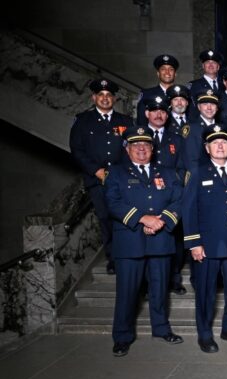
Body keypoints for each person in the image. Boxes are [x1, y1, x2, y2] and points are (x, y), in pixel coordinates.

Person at [104, 126, 184, 357]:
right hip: (130, 242)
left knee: (160, 290)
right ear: (127, 149)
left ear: (152, 149)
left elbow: (179, 200)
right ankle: (122, 336)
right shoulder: (117, 173)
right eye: (136, 146)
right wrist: (143, 218)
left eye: (146, 145)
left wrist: (162, 221)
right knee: (127, 292)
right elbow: (113, 203)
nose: (141, 149)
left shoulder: (168, 173)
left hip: (160, 239)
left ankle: (161, 328)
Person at [182, 124, 227, 353]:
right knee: (206, 293)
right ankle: (205, 334)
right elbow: (189, 210)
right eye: (215, 142)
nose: (220, 146)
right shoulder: (198, 172)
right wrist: (193, 243)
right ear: (207, 147)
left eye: (224, 142)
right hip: (207, 245)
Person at [69, 78, 134, 275]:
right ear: (94, 97)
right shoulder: (83, 121)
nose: (105, 99)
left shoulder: (125, 121)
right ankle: (113, 259)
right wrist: (96, 170)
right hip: (97, 180)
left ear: (114, 99)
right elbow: (77, 150)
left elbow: (133, 149)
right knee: (105, 218)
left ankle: (127, 254)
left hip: (121, 179)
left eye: (109, 95)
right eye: (101, 95)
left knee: (124, 217)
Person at [144, 94, 187, 296]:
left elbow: (182, 167)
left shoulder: (175, 139)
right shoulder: (139, 136)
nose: (159, 115)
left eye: (162, 111)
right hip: (145, 195)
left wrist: (174, 191)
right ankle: (145, 283)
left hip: (170, 196)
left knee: (175, 240)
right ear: (147, 114)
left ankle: (174, 279)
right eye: (155, 111)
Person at [136, 54, 179, 126]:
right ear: (158, 73)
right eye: (163, 69)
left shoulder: (182, 95)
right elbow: (141, 121)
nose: (167, 72)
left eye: (171, 69)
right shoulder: (147, 94)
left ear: (175, 74)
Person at [182, 89, 219, 172]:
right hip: (201, 175)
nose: (209, 108)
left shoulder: (221, 127)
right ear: (199, 107)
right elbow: (191, 161)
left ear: (217, 108)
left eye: (212, 104)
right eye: (205, 104)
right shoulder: (191, 128)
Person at [189, 50, 224, 118]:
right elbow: (192, 110)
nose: (211, 65)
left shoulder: (225, 85)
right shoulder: (194, 86)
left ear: (218, 67)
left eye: (213, 62)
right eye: (208, 62)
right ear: (203, 66)